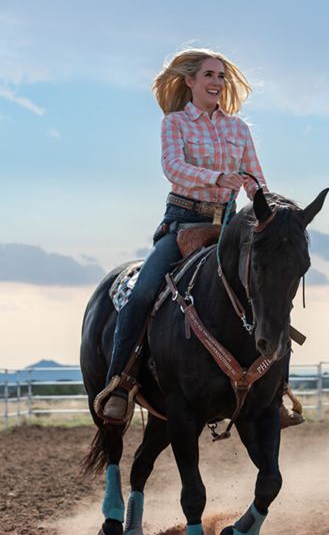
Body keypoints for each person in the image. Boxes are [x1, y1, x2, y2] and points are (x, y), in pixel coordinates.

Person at [101, 48, 302, 427]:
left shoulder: (238, 129)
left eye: (221, 76)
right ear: (189, 81)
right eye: (209, 75)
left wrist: (265, 206)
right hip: (182, 224)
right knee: (142, 294)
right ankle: (120, 383)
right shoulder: (174, 123)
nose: (216, 82)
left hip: (228, 228)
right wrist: (216, 178)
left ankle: (277, 393)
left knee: (271, 293)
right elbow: (171, 166)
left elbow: (256, 179)